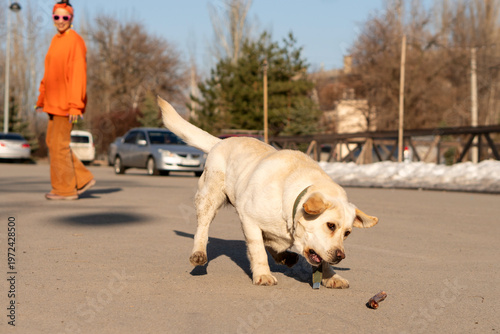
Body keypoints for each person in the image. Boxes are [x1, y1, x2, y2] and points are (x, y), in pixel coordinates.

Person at [35, 0, 95, 200]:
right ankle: (83, 178)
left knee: (59, 144)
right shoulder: (56, 40)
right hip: (53, 103)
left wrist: (75, 106)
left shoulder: (75, 41)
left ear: (71, 18)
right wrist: (42, 97)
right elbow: (49, 73)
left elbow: (78, 75)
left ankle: (65, 189)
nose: (60, 21)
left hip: (67, 105)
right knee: (52, 142)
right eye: (56, 17)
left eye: (65, 17)